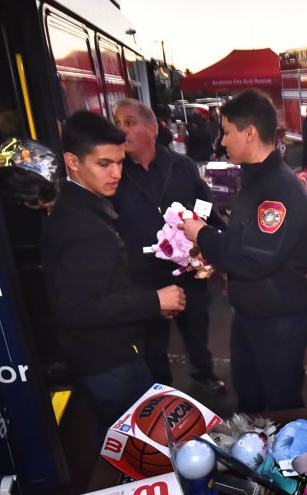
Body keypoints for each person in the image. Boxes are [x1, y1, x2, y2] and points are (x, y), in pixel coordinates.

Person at [41, 110, 186, 433]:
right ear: (73, 162)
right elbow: (76, 308)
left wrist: (149, 304)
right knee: (139, 448)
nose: (116, 173)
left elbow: (106, 283)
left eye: (120, 163)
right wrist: (153, 302)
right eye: (104, 164)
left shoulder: (83, 206)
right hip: (108, 362)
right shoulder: (80, 222)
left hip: (111, 354)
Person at [179, 89, 307, 413]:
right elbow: (244, 240)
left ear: (249, 133)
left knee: (282, 411)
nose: (221, 142)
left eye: (226, 132)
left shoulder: (277, 189)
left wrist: (203, 236)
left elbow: (253, 259)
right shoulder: (256, 179)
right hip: (252, 317)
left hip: (277, 324)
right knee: (251, 405)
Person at [110, 98, 227, 396]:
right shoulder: (115, 176)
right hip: (142, 279)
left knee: (197, 329)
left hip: (187, 271)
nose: (121, 130)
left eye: (129, 122)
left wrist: (213, 244)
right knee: (152, 343)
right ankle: (161, 394)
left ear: (151, 127)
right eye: (117, 123)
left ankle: (204, 375)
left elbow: (205, 206)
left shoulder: (182, 166)